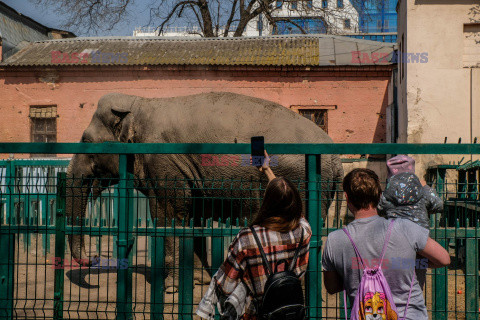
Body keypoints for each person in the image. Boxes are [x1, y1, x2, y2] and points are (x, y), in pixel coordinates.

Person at [197, 150, 312, 320]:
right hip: (290, 314)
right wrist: (268, 170)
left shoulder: (247, 239)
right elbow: (288, 204)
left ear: (267, 203)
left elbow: (225, 285)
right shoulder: (304, 231)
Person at [322, 168, 450, 320]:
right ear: (380, 196)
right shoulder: (406, 228)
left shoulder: (334, 240)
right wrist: (406, 263)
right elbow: (444, 259)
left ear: (347, 198)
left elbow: (332, 287)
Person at [377, 155, 444, 289]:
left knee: (392, 281)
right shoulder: (422, 191)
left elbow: (379, 208)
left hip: (395, 244)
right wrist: (426, 187)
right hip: (419, 246)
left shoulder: (387, 194)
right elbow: (439, 204)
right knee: (417, 281)